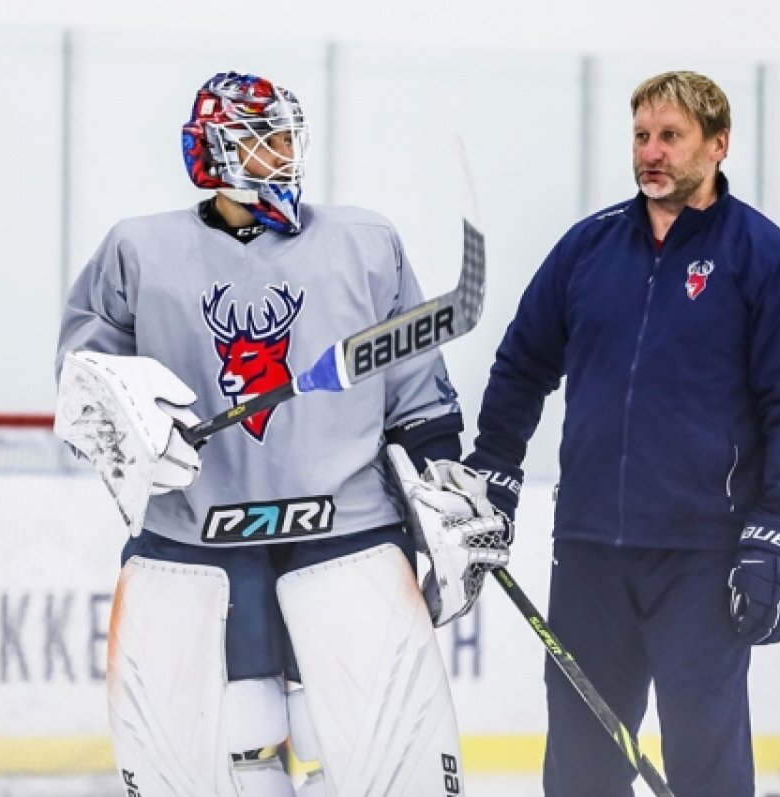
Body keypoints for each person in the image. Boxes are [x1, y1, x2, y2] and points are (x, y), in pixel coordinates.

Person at [55, 70, 495, 796]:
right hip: (192, 536)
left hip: (349, 527)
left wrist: (444, 479)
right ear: (214, 151)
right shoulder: (136, 252)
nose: (285, 154)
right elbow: (85, 385)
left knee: (371, 753)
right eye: (265, 141)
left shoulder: (365, 242)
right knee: (231, 742)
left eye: (290, 138)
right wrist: (129, 429)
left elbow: (416, 391)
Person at [462, 70, 780, 796]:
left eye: (670, 136)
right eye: (640, 136)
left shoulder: (767, 259)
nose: (650, 153)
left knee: (706, 760)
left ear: (718, 144)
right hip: (590, 549)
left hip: (703, 556)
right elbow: (522, 365)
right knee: (581, 763)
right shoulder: (588, 249)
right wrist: (494, 467)